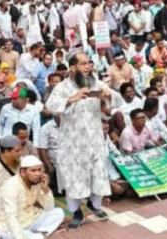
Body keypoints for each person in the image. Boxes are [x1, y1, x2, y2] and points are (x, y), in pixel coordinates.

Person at [45, 53, 112, 229]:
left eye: (89, 63)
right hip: (72, 143)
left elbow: (113, 104)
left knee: (98, 173)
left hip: (94, 139)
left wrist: (107, 99)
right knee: (73, 177)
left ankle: (94, 205)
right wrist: (72, 98)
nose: (88, 66)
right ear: (73, 67)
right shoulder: (62, 87)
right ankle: (76, 212)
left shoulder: (97, 83)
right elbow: (50, 106)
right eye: (83, 64)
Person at [0, 155, 65, 239]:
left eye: (39, 170)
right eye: (33, 171)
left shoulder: (36, 182)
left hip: (30, 219)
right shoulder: (11, 186)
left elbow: (49, 208)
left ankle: (39, 235)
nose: (38, 174)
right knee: (7, 234)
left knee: (59, 212)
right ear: (23, 172)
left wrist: (45, 189)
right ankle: (41, 236)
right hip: (9, 225)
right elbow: (11, 217)